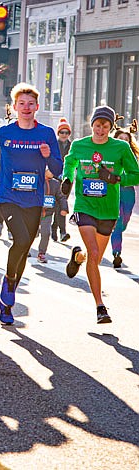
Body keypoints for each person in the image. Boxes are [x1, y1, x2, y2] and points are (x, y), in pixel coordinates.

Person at [0, 83, 62, 326]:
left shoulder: (46, 133)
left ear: (37, 107)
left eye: (30, 104)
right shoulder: (5, 132)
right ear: (14, 107)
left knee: (24, 249)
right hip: (8, 197)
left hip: (34, 200)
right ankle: (9, 289)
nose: (26, 108)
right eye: (21, 104)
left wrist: (48, 157)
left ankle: (8, 291)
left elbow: (58, 169)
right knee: (22, 240)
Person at [61, 105, 139, 323]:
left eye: (105, 126)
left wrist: (115, 178)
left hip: (108, 209)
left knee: (93, 257)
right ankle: (100, 306)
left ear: (111, 127)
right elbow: (70, 162)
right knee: (94, 251)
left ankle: (79, 257)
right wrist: (67, 179)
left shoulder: (121, 148)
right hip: (85, 206)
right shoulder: (79, 145)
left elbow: (136, 175)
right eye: (97, 125)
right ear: (91, 124)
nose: (101, 130)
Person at [109, 124, 139, 268]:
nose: (123, 142)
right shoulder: (111, 154)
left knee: (124, 221)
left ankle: (116, 234)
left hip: (128, 193)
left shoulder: (133, 157)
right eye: (120, 138)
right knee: (118, 223)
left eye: (126, 140)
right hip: (115, 192)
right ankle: (117, 253)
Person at [36, 168, 68, 263]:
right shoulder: (37, 181)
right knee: (32, 233)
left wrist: (64, 208)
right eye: (50, 170)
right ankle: (26, 250)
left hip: (48, 214)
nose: (53, 173)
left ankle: (42, 253)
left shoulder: (56, 184)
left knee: (46, 233)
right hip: (35, 213)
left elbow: (61, 197)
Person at [53, 117, 72, 242]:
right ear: (58, 133)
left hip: (67, 180)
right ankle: (59, 230)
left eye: (66, 132)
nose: (64, 135)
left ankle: (60, 231)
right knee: (54, 206)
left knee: (62, 205)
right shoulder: (54, 145)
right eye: (62, 132)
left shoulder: (73, 146)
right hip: (54, 179)